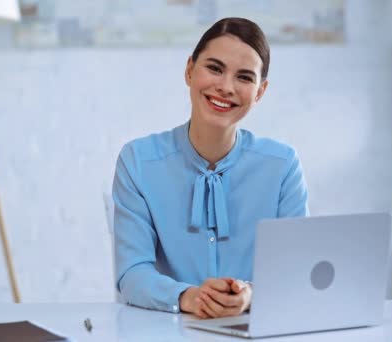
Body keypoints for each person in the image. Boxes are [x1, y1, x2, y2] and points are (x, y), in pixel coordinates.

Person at [112, 17, 309, 319]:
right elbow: (132, 273)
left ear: (260, 91)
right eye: (214, 68)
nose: (225, 87)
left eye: (244, 77)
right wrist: (189, 297)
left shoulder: (283, 166)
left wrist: (251, 295)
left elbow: (295, 271)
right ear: (189, 70)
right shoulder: (137, 161)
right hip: (166, 330)